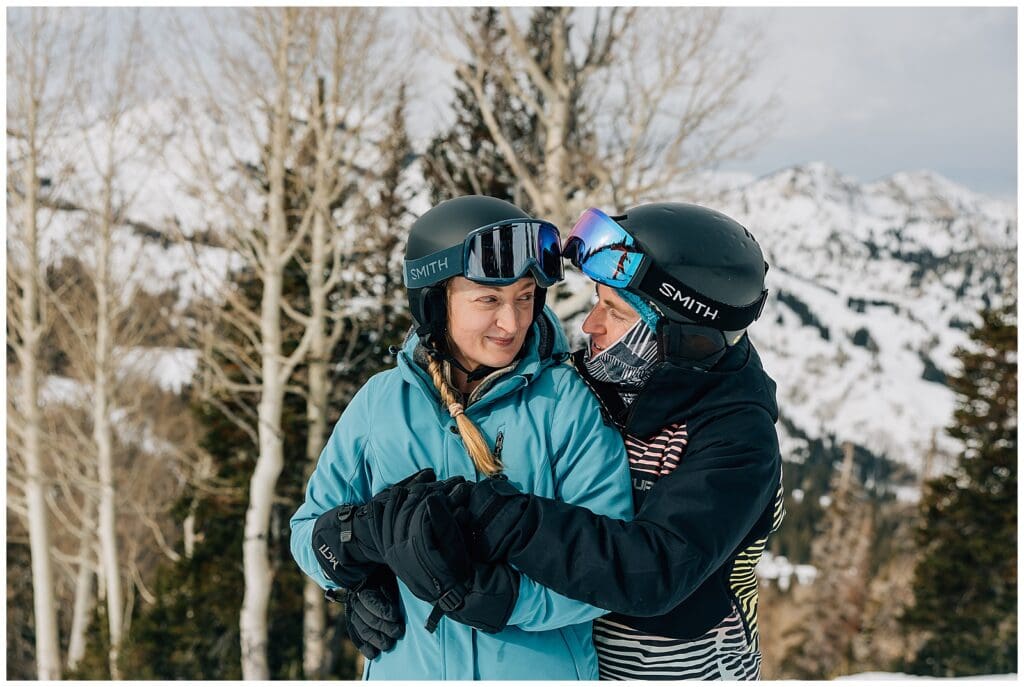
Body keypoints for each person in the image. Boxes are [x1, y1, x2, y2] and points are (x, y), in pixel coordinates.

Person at [365, 202, 784, 680]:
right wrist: (372, 573)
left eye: (616, 312)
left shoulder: (738, 438)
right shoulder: (607, 381)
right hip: (574, 662)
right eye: (596, 302)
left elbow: (655, 570)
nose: (590, 325)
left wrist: (507, 519)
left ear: (686, 338)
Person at [289, 195, 633, 680]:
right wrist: (356, 557)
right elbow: (307, 532)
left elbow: (612, 565)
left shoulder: (566, 404)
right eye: (488, 300)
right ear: (435, 302)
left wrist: (507, 598)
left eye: (524, 297)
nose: (511, 322)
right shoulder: (380, 404)